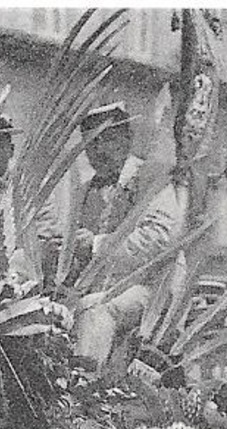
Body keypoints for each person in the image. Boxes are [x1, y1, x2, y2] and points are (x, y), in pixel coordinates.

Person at [67, 102, 185, 372]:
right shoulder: (87, 191)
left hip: (155, 289)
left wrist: (96, 244)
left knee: (94, 309)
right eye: (90, 143)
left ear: (126, 138)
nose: (97, 151)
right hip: (109, 289)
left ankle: (85, 389)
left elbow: (159, 239)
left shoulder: (153, 177)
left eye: (105, 139)